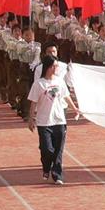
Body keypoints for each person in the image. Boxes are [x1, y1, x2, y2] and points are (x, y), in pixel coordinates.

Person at [26, 56, 79, 186]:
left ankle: (57, 175)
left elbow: (66, 97)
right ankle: (46, 167)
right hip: (44, 122)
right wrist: (31, 119)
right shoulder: (39, 84)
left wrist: (75, 109)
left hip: (59, 120)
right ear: (48, 67)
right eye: (54, 66)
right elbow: (33, 103)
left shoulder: (60, 82)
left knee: (58, 150)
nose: (57, 68)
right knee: (47, 149)